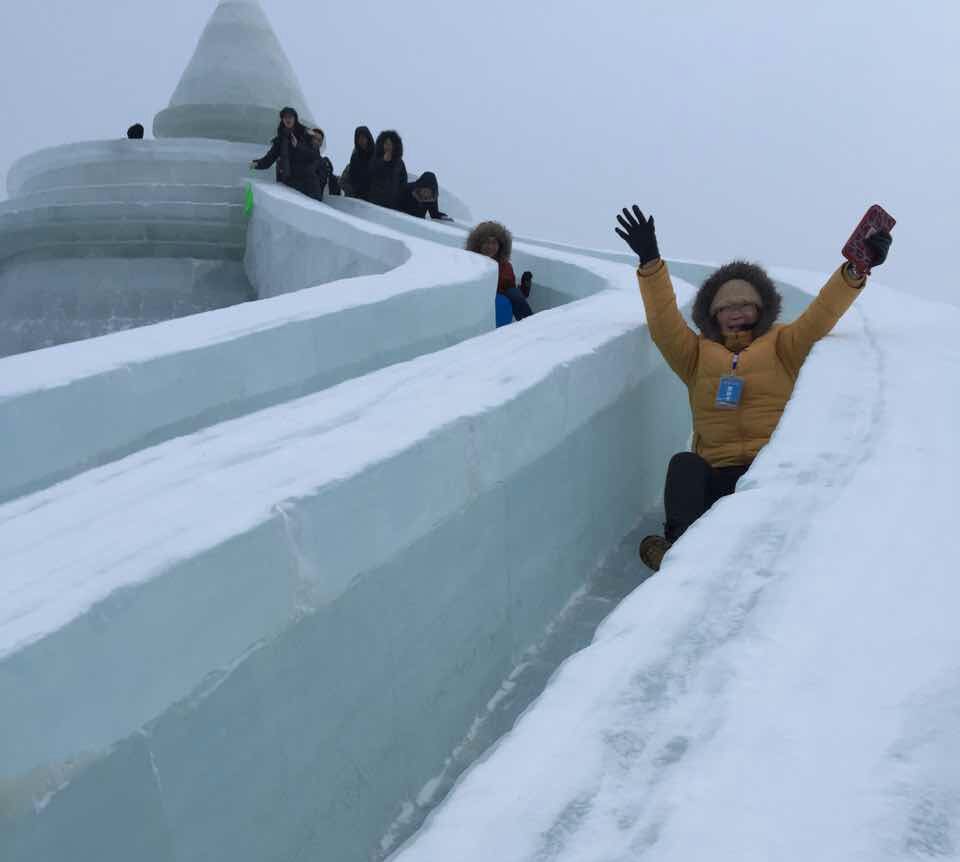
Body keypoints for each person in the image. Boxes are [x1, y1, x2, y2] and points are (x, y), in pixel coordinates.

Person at [615, 204, 893, 572]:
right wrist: (651, 263)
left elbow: (822, 313)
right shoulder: (696, 355)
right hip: (716, 474)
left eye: (745, 305)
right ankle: (679, 552)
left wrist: (857, 269)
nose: (735, 312)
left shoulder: (783, 344)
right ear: (711, 314)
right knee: (684, 464)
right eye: (726, 307)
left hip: (767, 473)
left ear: (761, 309)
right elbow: (664, 324)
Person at [466, 221, 534, 322]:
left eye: (494, 243)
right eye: (486, 242)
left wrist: (524, 289)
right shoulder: (469, 263)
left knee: (507, 297)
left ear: (500, 245)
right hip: (477, 311)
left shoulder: (506, 267)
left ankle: (531, 325)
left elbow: (511, 291)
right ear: (478, 244)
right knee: (500, 301)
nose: (490, 247)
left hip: (501, 312)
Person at [249, 107, 320, 197]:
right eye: (285, 117)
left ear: (295, 119)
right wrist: (257, 164)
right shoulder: (281, 139)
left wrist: (298, 146)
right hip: (291, 183)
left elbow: (315, 155)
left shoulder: (306, 134)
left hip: (308, 183)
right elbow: (270, 158)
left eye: (290, 117)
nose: (288, 119)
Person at [367, 130, 407, 209]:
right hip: (375, 202)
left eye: (391, 144)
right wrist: (383, 162)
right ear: (382, 144)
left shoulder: (399, 163)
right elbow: (371, 174)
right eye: (386, 144)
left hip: (393, 204)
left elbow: (403, 183)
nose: (388, 147)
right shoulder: (375, 159)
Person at [341, 126, 375, 200]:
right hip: (357, 197)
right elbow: (350, 178)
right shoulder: (355, 158)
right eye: (359, 138)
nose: (361, 140)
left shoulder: (377, 155)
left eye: (364, 137)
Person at [306, 128, 340, 199]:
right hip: (300, 195)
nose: (316, 141)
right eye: (314, 138)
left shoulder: (323, 162)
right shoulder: (301, 153)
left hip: (315, 199)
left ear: (321, 143)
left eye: (319, 140)